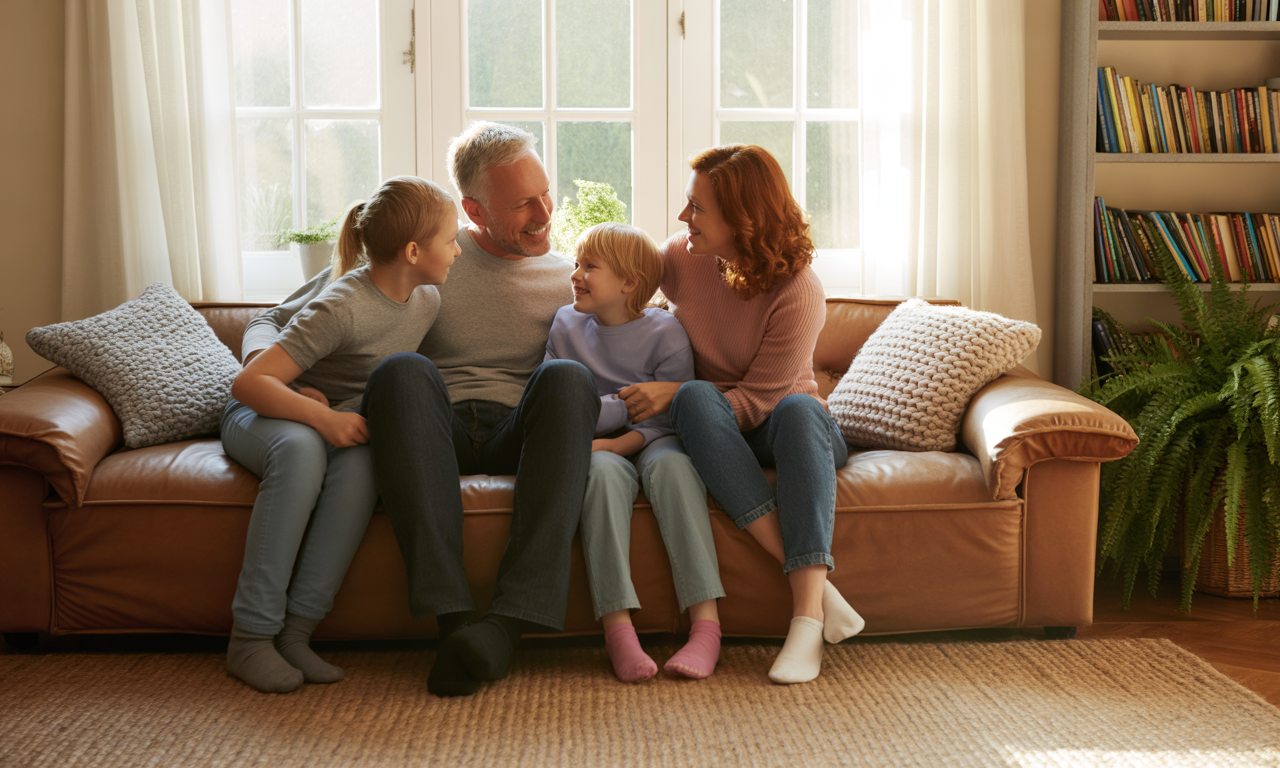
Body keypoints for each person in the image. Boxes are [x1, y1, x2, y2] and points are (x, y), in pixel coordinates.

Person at [240, 122, 599, 697]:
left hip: (517, 430)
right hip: (433, 430)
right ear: (474, 211)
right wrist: (287, 386)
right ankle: (454, 621)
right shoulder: (426, 255)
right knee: (402, 370)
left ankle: (507, 626)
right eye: (522, 204)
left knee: (569, 378)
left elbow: (647, 323)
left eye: (545, 192)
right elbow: (272, 320)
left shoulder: (574, 279)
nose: (545, 212)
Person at [618, 144, 866, 685]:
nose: (684, 218)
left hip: (789, 426)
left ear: (743, 218)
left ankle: (806, 621)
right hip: (716, 430)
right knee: (693, 397)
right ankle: (818, 584)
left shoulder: (799, 290)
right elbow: (623, 285)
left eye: (697, 208)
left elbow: (763, 400)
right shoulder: (683, 258)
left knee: (799, 409)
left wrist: (672, 395)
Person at [224, 176, 459, 693]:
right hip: (262, 411)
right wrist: (321, 417)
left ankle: (296, 635)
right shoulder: (344, 304)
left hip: (324, 418)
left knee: (361, 467)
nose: (458, 250)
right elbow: (250, 383)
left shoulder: (426, 299)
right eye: (451, 239)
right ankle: (251, 637)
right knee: (302, 454)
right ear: (414, 250)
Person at [545, 222, 725, 683]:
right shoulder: (565, 323)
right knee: (600, 475)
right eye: (576, 263)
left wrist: (611, 433)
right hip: (597, 446)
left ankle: (706, 626)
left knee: (675, 471)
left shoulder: (666, 332)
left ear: (628, 283)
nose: (576, 274)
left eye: (590, 266)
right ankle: (618, 628)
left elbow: (668, 415)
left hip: (656, 438)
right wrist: (613, 420)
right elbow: (554, 400)